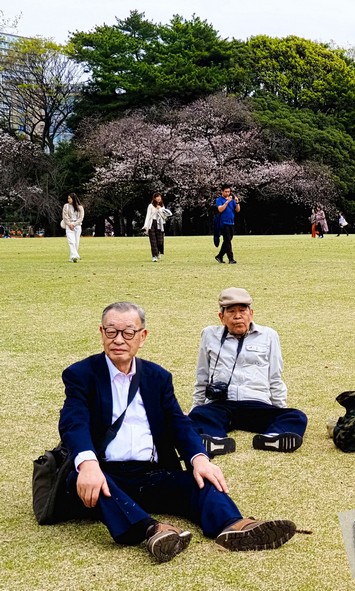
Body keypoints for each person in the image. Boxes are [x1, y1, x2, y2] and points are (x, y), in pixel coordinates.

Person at [58, 302, 297, 562]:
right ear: (102, 332)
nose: (118, 340)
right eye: (111, 331)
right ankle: (152, 531)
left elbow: (178, 423)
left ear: (142, 336)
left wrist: (199, 458)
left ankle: (234, 526)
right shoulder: (81, 374)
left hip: (153, 473)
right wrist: (88, 464)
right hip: (104, 472)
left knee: (202, 480)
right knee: (86, 478)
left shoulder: (157, 377)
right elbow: (74, 422)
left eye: (128, 332)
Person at [189, 288, 307, 456]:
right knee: (199, 415)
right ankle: (215, 440)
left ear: (251, 314)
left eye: (242, 311)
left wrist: (279, 410)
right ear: (221, 317)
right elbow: (202, 376)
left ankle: (273, 437)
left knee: (296, 416)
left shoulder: (269, 335)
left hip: (257, 404)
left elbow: (275, 377)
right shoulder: (209, 334)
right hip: (221, 404)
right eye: (231, 311)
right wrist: (195, 408)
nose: (238, 316)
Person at [142, 192, 172, 262]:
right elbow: (148, 216)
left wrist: (160, 209)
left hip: (160, 224)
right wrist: (145, 226)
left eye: (159, 197)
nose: (159, 198)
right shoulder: (150, 206)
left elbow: (164, 216)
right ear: (154, 198)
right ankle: (154, 256)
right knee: (153, 241)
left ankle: (158, 252)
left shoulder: (162, 206)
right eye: (157, 197)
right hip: (152, 223)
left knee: (160, 241)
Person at [214, 184, 239, 264]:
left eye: (228, 192)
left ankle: (219, 256)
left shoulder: (232, 200)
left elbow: (238, 210)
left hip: (231, 222)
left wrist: (237, 202)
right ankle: (231, 258)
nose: (227, 193)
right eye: (226, 191)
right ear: (222, 191)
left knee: (227, 240)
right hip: (223, 222)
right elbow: (220, 209)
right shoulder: (219, 200)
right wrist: (227, 202)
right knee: (227, 241)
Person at [62, 193, 84, 263]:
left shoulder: (80, 207)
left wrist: (74, 224)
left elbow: (81, 218)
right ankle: (75, 256)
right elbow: (65, 217)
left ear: (73, 199)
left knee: (76, 242)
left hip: (77, 226)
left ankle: (72, 257)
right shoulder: (66, 206)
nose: (68, 200)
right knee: (71, 241)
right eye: (68, 198)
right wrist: (69, 224)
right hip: (69, 226)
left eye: (69, 198)